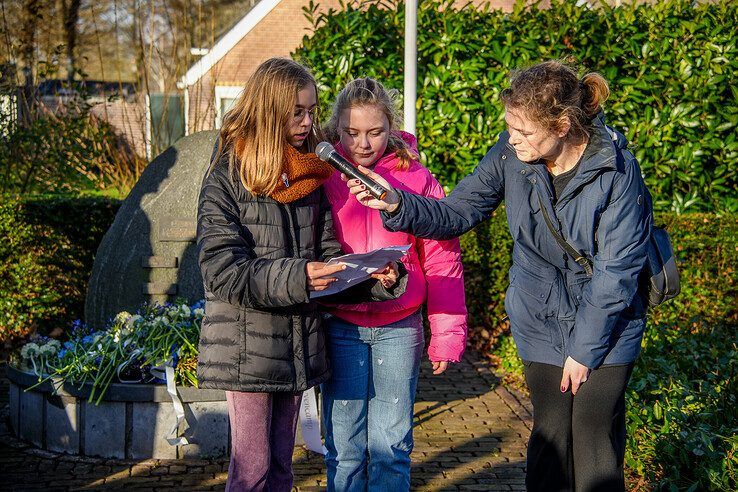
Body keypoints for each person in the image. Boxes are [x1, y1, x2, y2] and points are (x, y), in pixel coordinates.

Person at [345, 61, 652, 492]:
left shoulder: (617, 170)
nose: (513, 139)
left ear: (562, 125)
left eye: (523, 131)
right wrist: (398, 204)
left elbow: (617, 271)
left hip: (609, 320)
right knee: (550, 431)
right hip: (540, 314)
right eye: (510, 127)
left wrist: (583, 352)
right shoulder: (512, 155)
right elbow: (456, 213)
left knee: (592, 433)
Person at [195, 58, 404, 492]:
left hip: (297, 345)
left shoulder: (309, 175)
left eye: (311, 111)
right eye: (298, 112)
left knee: (283, 470)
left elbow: (327, 259)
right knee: (251, 472)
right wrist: (302, 275)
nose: (309, 123)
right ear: (269, 110)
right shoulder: (227, 176)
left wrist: (372, 278)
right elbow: (222, 271)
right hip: (245, 350)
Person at [320, 77, 468, 491]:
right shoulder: (322, 177)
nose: (363, 144)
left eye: (375, 132)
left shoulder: (417, 178)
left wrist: (447, 335)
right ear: (335, 129)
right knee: (343, 447)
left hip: (400, 327)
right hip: (341, 324)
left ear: (392, 127)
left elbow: (442, 257)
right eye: (351, 133)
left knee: (392, 445)